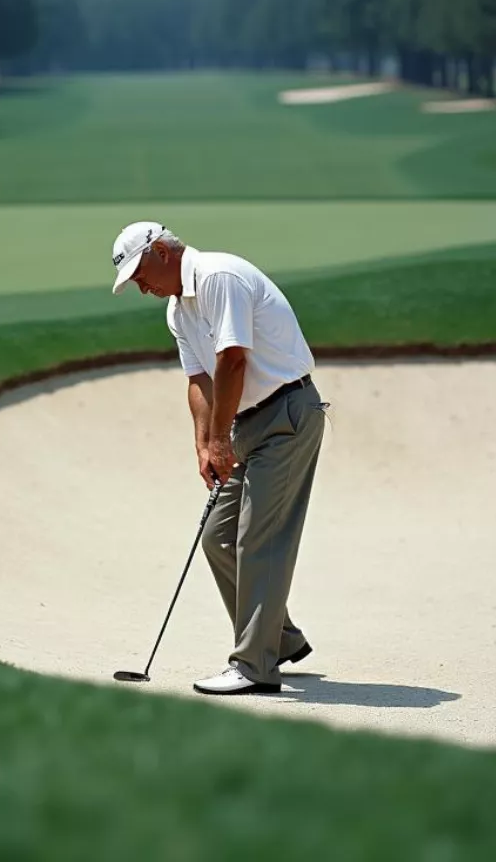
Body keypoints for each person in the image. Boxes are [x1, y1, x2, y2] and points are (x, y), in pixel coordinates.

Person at [111, 220, 328, 695]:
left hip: (286, 414)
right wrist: (205, 445)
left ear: (162, 252)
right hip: (246, 424)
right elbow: (200, 381)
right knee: (217, 539)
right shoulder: (176, 311)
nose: (140, 287)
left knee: (258, 539)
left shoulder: (217, 277)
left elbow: (233, 359)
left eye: (139, 273)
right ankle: (279, 639)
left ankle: (254, 666)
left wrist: (222, 439)